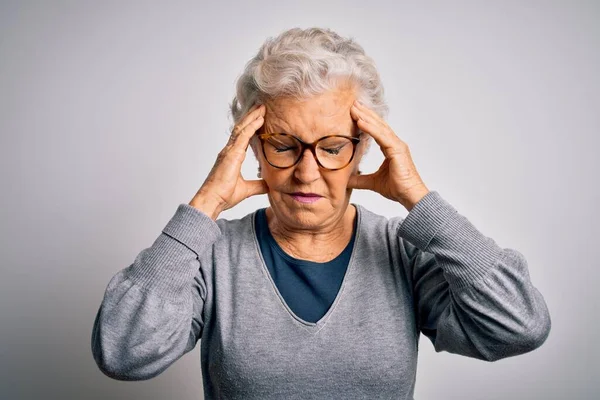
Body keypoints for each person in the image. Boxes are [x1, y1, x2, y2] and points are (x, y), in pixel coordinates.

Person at [91, 27, 551, 399]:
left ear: (363, 148)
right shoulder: (211, 257)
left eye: (332, 148)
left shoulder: (405, 253)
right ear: (251, 146)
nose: (307, 173)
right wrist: (203, 207)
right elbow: (123, 352)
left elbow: (519, 326)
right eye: (284, 146)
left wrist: (421, 202)